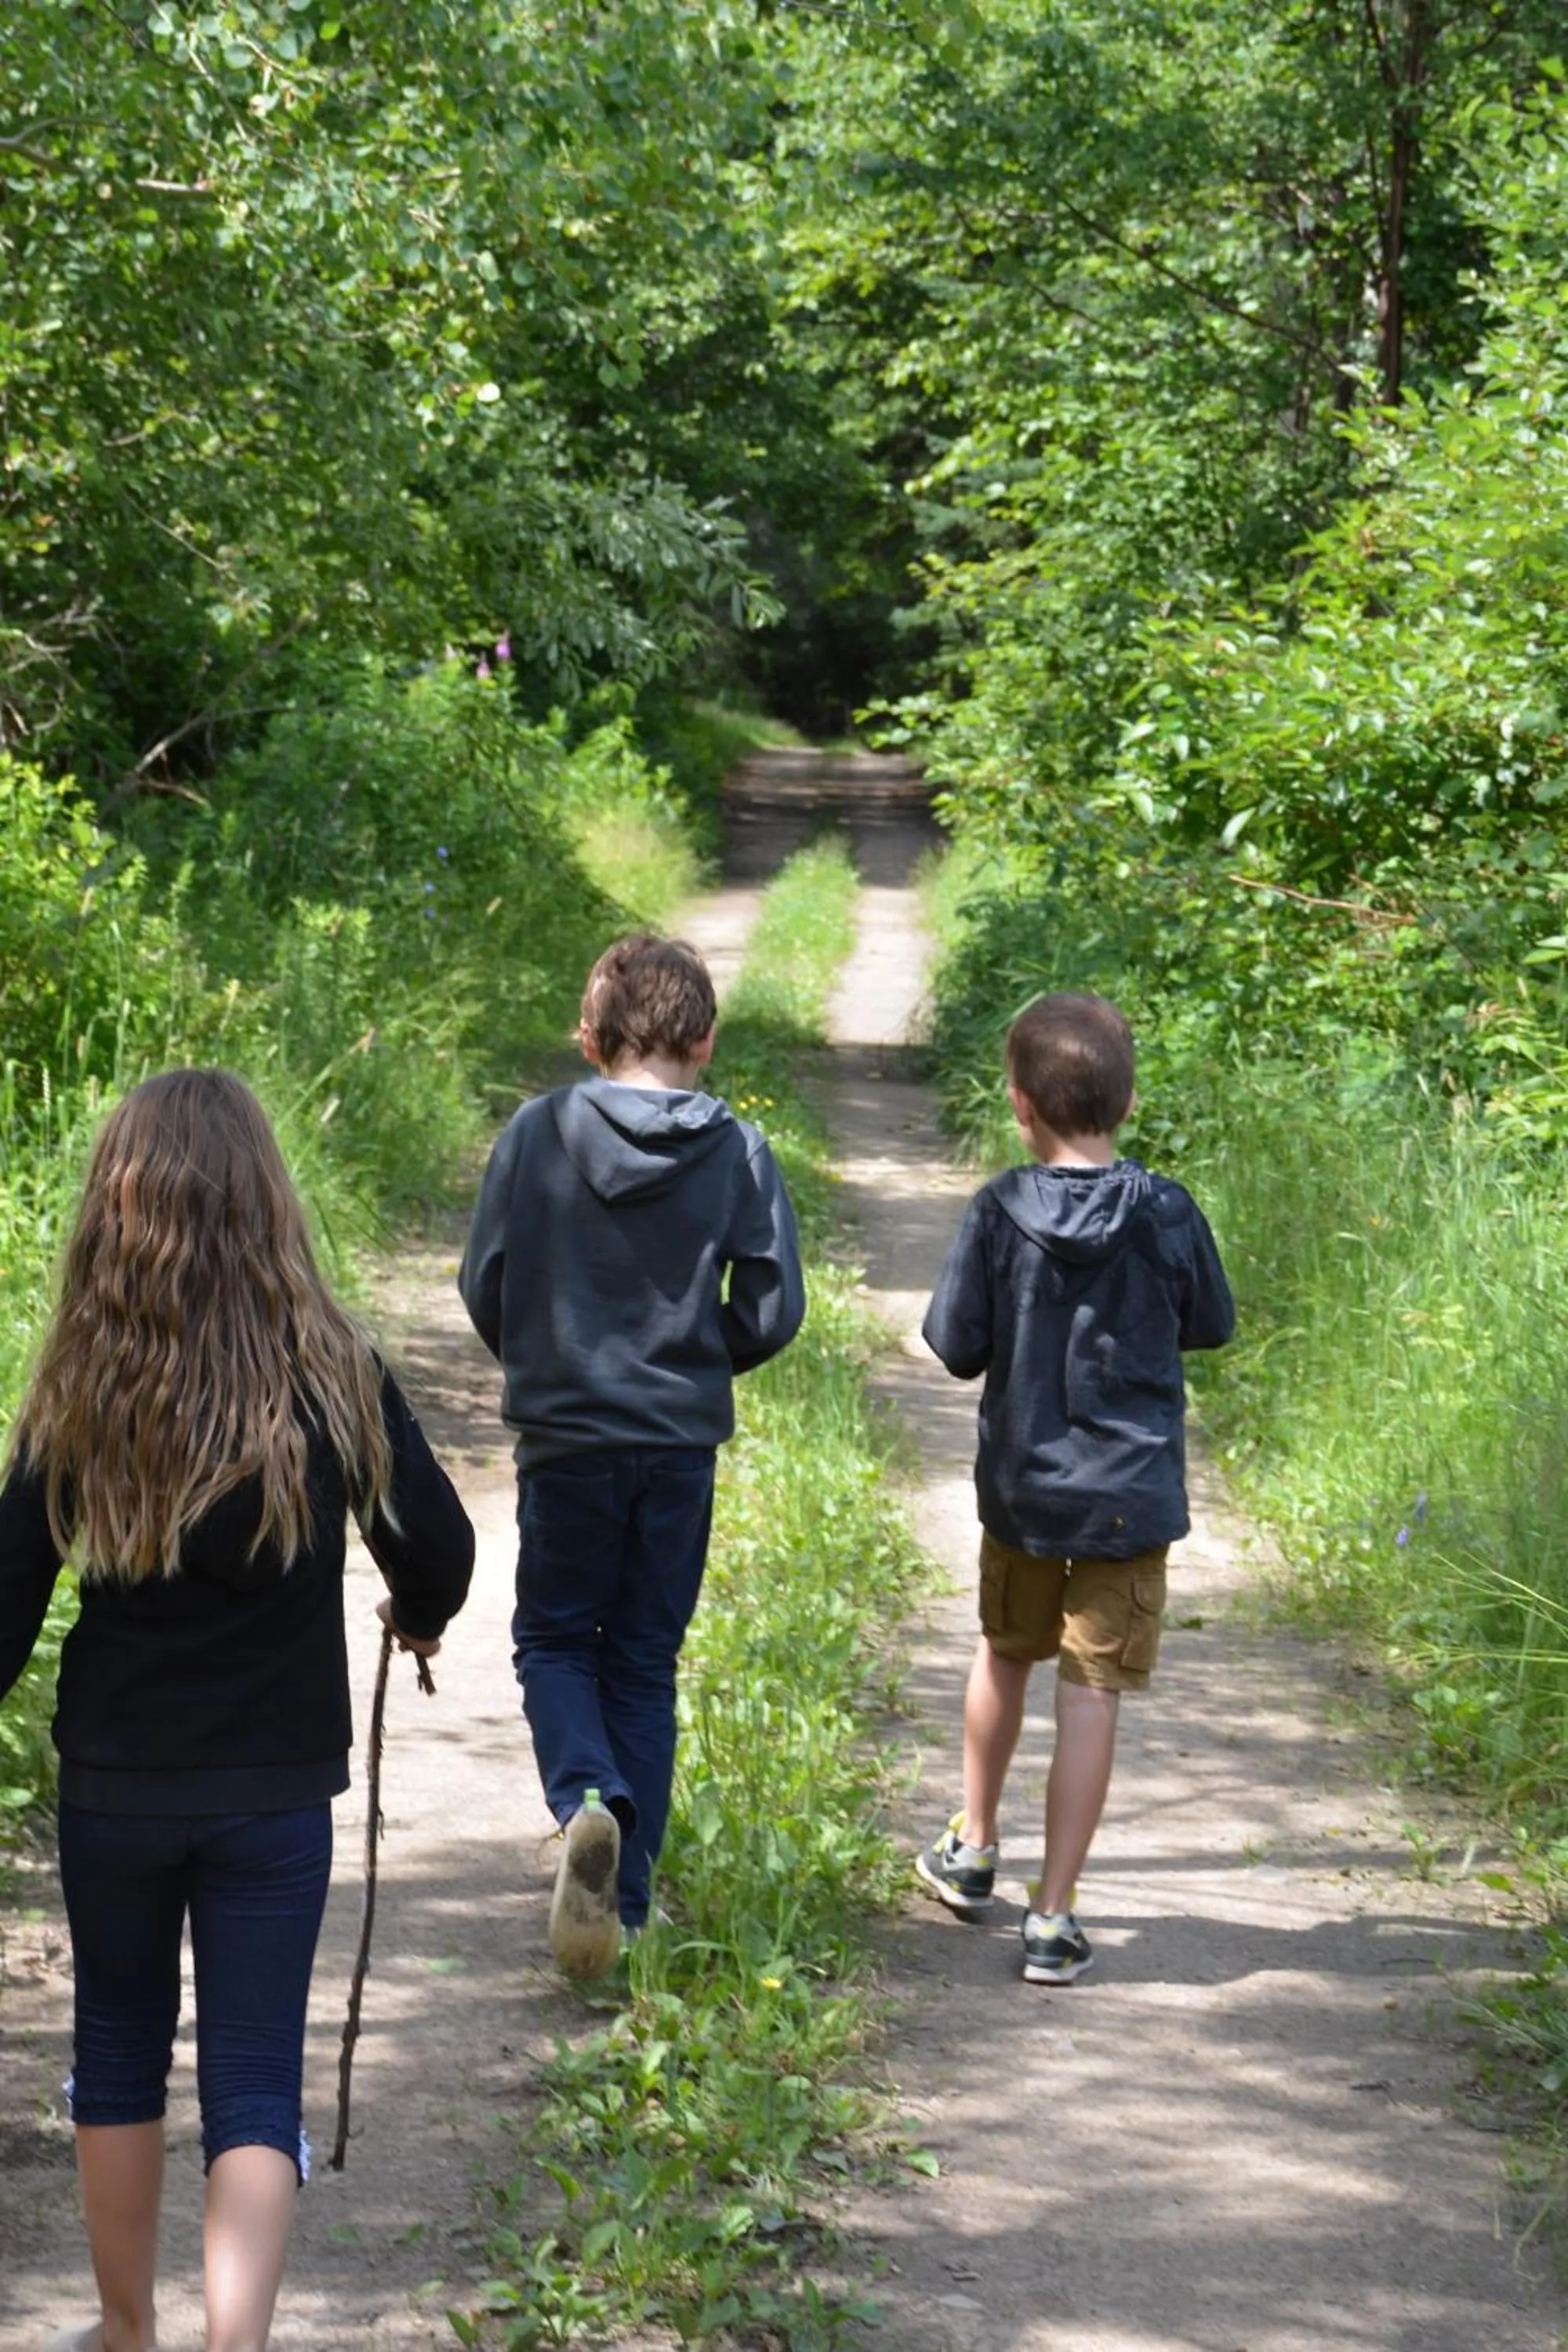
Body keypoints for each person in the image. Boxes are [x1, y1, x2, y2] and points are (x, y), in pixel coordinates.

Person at [0, 1069, 475, 2352]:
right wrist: (419, 1615)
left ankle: (122, 2329)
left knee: (116, 2056)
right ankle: (236, 2344)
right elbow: (437, 1540)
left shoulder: (81, 1385)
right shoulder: (333, 1374)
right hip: (273, 1793)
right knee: (257, 2081)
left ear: (116, 1209)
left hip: (114, 1787)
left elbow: (2, 1594)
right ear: (269, 1204)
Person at [459, 931, 805, 1976]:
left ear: (590, 1037)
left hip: (568, 1439)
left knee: (557, 1642)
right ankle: (633, 1903)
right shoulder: (737, 1149)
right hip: (676, 1445)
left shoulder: (536, 1131)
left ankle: (583, 1803)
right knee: (643, 1661)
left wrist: (546, 1359)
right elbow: (776, 1306)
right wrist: (701, 1358)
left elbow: (487, 1278)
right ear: (704, 1042)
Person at [916, 992, 1233, 1984]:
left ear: (1019, 1104)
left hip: (1022, 1492)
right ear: (1127, 1099)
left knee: (1004, 1654)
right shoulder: (1167, 1211)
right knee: (1091, 1691)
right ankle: (1051, 1918)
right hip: (1126, 1501)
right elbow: (1208, 1323)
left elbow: (954, 1344)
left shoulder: (997, 1212)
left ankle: (972, 1847)